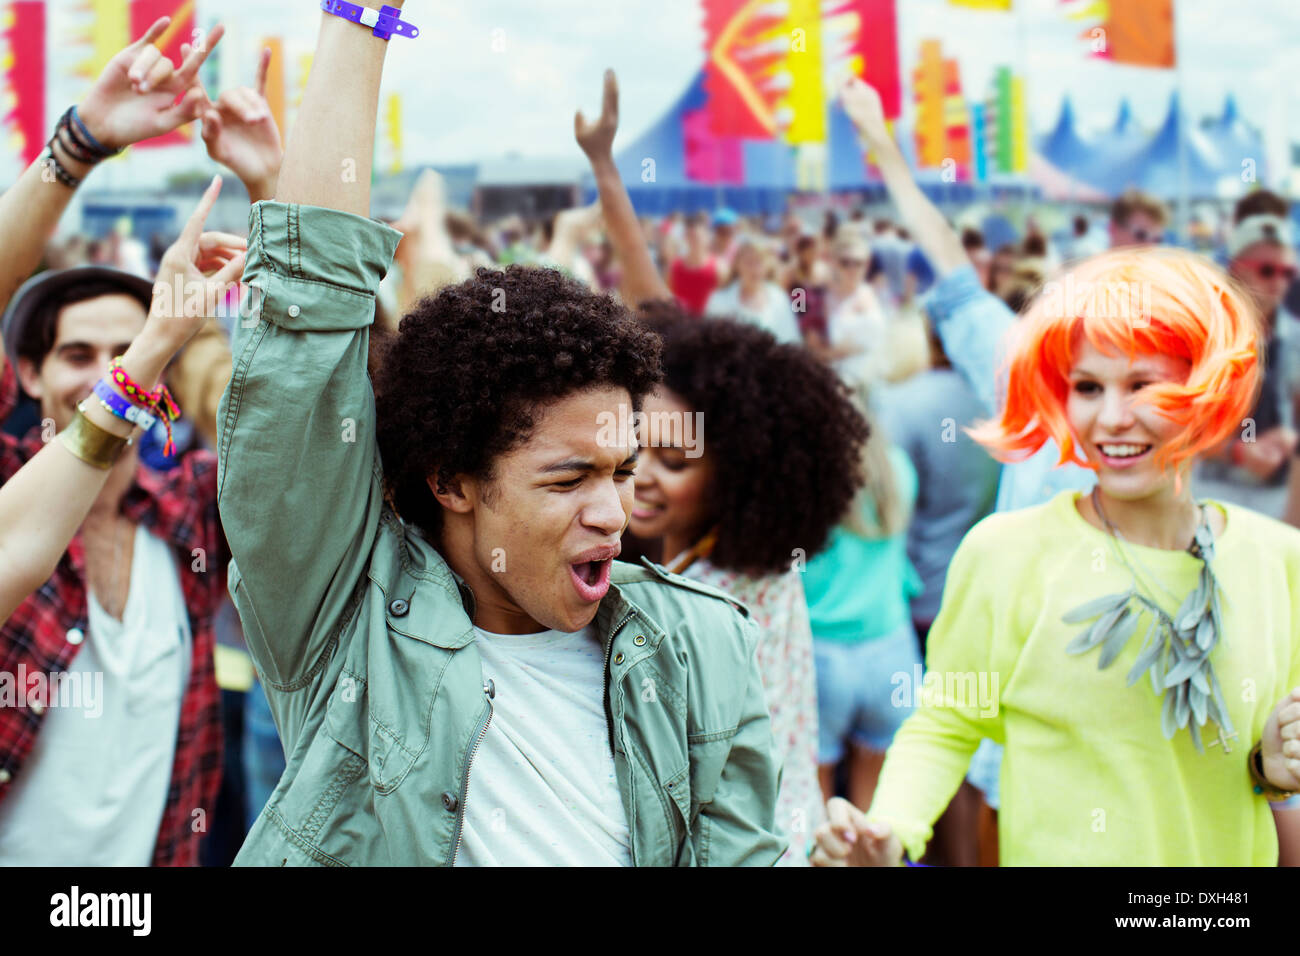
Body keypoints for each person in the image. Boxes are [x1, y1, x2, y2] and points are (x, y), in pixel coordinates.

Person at [218, 23, 783, 867]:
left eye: (622, 471)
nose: (614, 511)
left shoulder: (700, 646)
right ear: (452, 481)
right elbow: (307, 320)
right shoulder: (349, 626)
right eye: (567, 480)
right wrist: (360, 19)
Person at [826, 75, 1300, 865]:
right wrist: (891, 832)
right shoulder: (1005, 554)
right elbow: (947, 721)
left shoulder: (1278, 562)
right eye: (1086, 388)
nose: (1109, 418)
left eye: (1142, 385)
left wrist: (1274, 770)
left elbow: (1260, 768)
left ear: (1204, 391)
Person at [0, 19, 254, 866]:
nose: (102, 374)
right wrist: (78, 146)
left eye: (126, 349)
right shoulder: (9, 502)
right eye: (78, 355)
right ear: (26, 376)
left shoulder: (193, 509)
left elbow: (339, 429)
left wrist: (277, 185)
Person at [627, 308, 869, 864]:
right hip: (792, 828)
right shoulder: (767, 564)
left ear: (737, 473)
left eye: (674, 461)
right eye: (635, 444)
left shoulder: (700, 602)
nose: (641, 473)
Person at [800, 395, 920, 813]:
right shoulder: (899, 470)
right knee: (877, 811)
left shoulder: (806, 486)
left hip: (821, 655)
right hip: (892, 651)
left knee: (817, 805)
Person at [1198, 193, 1300, 518]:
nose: (1278, 283)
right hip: (1214, 495)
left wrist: (1288, 438)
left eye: (1287, 273)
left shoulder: (1294, 333)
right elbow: (1179, 424)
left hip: (1277, 497)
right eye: (1267, 270)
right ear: (1236, 269)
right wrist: (1239, 452)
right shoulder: (1205, 331)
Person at [704, 238, 802, 345]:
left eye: (759, 262)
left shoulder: (779, 298)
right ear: (737, 265)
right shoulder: (718, 301)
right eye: (749, 262)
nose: (754, 269)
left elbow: (791, 340)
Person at [668, 212, 720, 316]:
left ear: (707, 237)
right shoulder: (674, 266)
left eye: (697, 236)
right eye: (690, 236)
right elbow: (669, 294)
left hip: (708, 324)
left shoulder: (719, 267)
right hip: (681, 323)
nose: (694, 240)